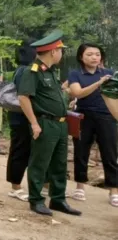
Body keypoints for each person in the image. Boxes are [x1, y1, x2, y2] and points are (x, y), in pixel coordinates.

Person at [17, 30, 81, 216]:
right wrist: (34, 124)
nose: (62, 53)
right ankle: (36, 200)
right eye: (61, 50)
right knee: (40, 163)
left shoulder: (51, 73)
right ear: (53, 51)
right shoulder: (33, 71)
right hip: (45, 124)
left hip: (61, 124)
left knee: (60, 163)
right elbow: (23, 97)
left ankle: (58, 199)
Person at [67, 42, 118, 206]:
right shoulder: (75, 74)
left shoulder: (109, 73)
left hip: (106, 117)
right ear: (81, 57)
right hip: (84, 117)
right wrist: (99, 83)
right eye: (89, 54)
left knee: (110, 154)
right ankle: (80, 187)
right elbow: (77, 93)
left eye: (97, 54)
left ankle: (114, 190)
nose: (94, 57)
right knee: (81, 153)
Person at [6, 41, 37, 201]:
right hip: (22, 118)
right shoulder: (26, 71)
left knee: (28, 151)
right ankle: (15, 186)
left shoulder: (24, 69)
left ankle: (43, 185)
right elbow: (25, 96)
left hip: (23, 117)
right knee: (20, 151)